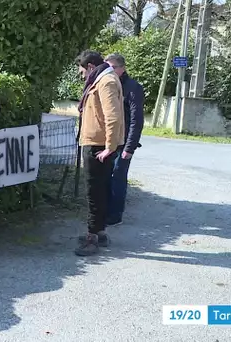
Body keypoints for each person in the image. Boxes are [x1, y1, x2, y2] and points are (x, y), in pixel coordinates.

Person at [75, 50, 125, 256]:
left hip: (98, 146)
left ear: (90, 67)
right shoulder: (103, 79)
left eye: (82, 72)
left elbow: (112, 116)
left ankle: (92, 237)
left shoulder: (105, 82)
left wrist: (109, 148)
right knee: (100, 190)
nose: (82, 77)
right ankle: (100, 232)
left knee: (94, 192)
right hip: (98, 143)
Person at [104, 53, 145, 226]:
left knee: (118, 178)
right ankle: (105, 211)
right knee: (106, 177)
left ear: (122, 68)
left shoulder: (133, 87)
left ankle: (115, 215)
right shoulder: (108, 85)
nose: (109, 71)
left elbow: (137, 120)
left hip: (124, 142)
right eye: (107, 67)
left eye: (113, 67)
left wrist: (130, 147)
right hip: (109, 141)